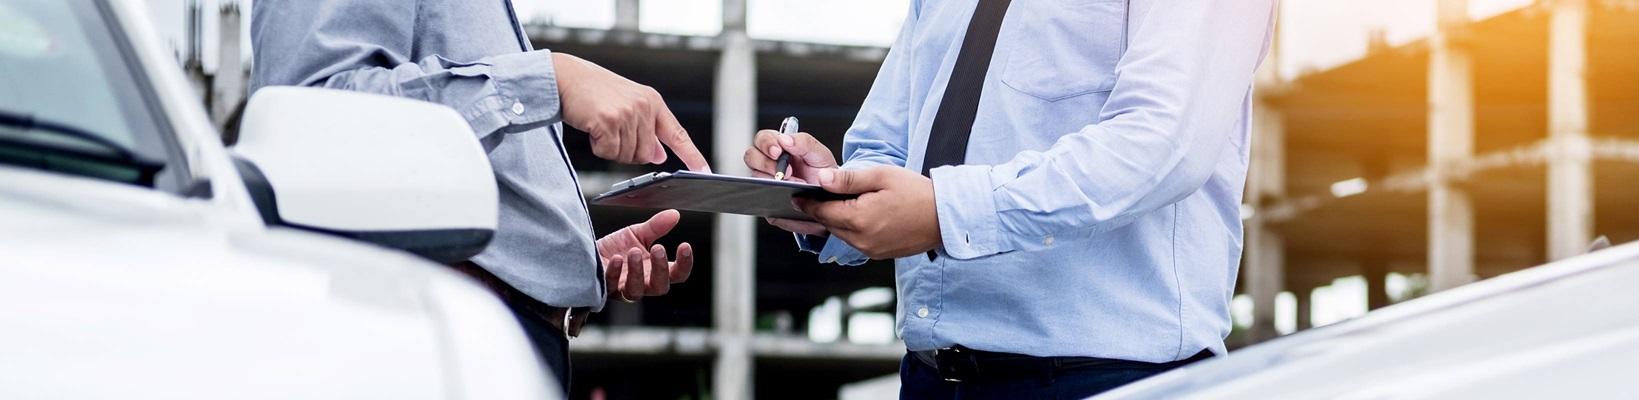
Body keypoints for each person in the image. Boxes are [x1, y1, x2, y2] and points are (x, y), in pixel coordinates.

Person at [744, 0, 1273, 397]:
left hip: (1107, 379)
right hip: (930, 377)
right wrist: (827, 192)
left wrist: (941, 213)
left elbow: (1163, 144)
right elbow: (892, 143)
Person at [250, 0, 707, 392]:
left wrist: (563, 262)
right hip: (427, 339)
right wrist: (551, 80)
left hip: (487, 341)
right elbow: (305, 119)